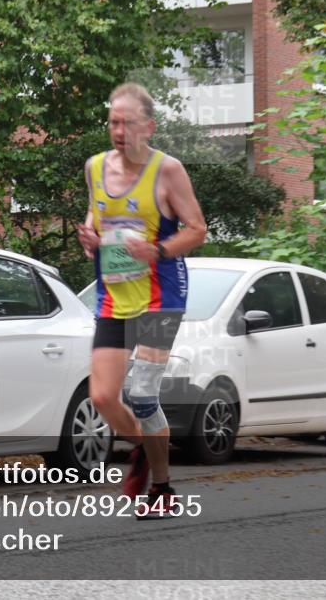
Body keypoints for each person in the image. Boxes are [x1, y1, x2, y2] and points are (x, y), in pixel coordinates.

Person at [78, 82, 206, 519]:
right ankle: (144, 449)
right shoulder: (95, 168)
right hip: (114, 296)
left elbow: (196, 229)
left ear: (148, 127)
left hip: (161, 295)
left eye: (128, 122)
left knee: (143, 393)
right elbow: (95, 221)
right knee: (102, 397)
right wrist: (89, 238)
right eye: (114, 121)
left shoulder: (168, 171)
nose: (119, 130)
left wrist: (160, 250)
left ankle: (164, 488)